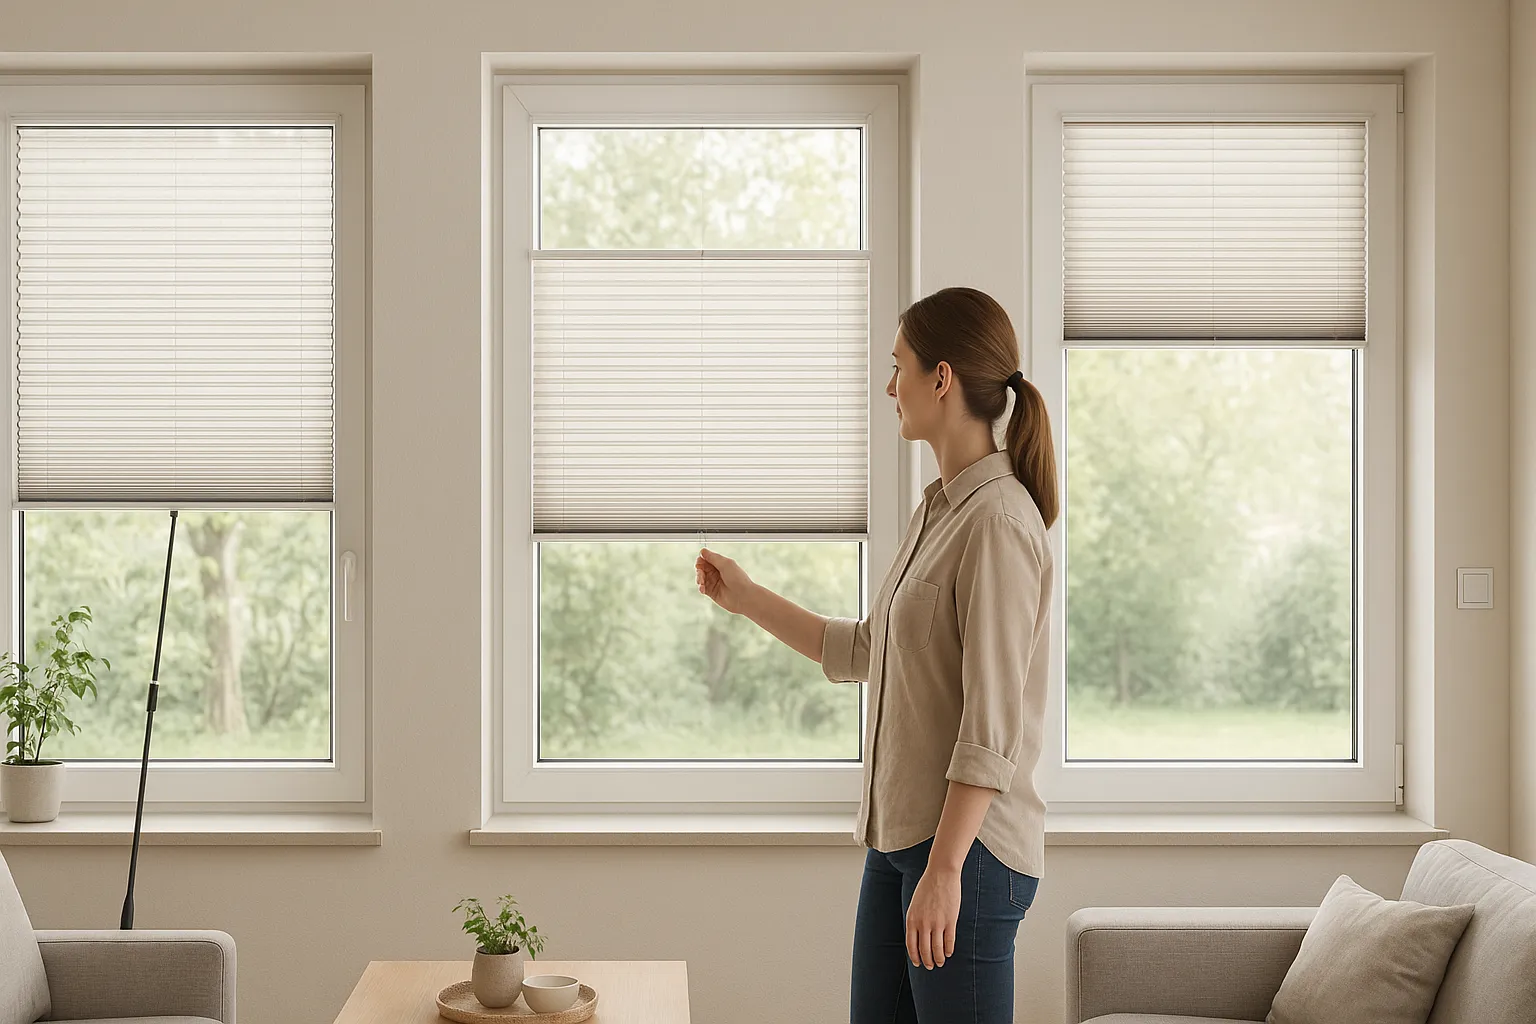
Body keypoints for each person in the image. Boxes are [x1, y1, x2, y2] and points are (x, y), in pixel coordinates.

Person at [695, 286, 1057, 1023]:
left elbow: (991, 726)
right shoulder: (939, 509)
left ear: (942, 378)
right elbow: (866, 648)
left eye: (899, 366)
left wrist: (948, 867)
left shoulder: (997, 523)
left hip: (968, 855)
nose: (890, 386)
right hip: (899, 839)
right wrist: (747, 597)